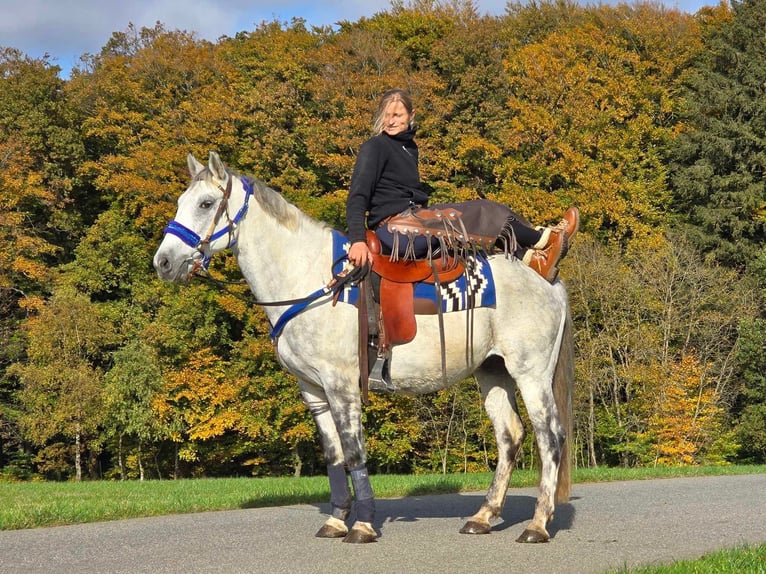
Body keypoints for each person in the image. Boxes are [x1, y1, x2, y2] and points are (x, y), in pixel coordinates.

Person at [346, 88, 579, 282]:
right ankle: (545, 238)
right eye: (387, 115)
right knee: (484, 211)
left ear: (411, 114)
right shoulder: (375, 146)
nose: (391, 121)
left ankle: (533, 259)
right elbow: (357, 195)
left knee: (496, 212)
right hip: (395, 230)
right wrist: (357, 240)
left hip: (415, 219)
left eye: (397, 115)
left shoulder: (409, 148)